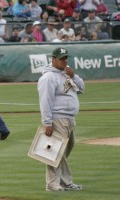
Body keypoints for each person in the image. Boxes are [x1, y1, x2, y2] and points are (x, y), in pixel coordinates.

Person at [38, 47, 84, 192]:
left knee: (64, 151)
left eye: (66, 58)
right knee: (55, 151)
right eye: (61, 58)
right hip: (58, 118)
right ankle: (52, 183)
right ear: (53, 59)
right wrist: (47, 122)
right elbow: (45, 101)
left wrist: (74, 76)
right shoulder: (48, 78)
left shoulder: (67, 73)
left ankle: (64, 182)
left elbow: (81, 88)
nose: (65, 61)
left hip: (70, 118)